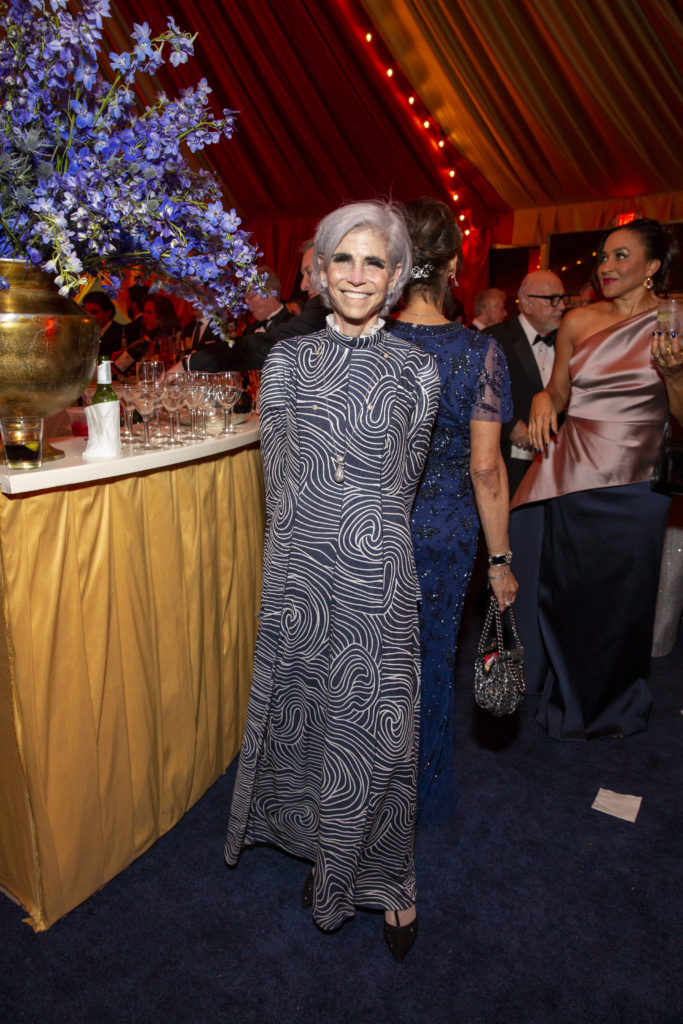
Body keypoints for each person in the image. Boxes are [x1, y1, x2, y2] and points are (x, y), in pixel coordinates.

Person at [224, 200, 440, 962]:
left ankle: (388, 878)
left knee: (377, 731)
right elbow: (276, 482)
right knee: (308, 718)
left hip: (375, 579)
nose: (356, 274)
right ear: (317, 272)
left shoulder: (418, 370)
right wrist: (287, 574)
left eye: (373, 261)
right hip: (299, 573)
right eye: (342, 260)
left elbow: (401, 484)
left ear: (395, 277)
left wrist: (364, 547)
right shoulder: (283, 363)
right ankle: (323, 851)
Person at [510, 217, 682, 739]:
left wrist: (674, 373)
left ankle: (616, 700)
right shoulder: (579, 320)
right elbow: (560, 392)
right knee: (567, 593)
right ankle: (565, 701)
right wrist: (544, 396)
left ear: (652, 266)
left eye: (621, 256)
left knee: (626, 599)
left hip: (638, 481)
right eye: (603, 257)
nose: (607, 267)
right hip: (575, 470)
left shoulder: (675, 318)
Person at [390, 198, 517, 824]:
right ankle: (416, 797)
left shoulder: (363, 346)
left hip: (368, 527)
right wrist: (501, 562)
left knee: (365, 664)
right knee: (430, 660)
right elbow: (487, 469)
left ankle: (353, 800)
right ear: (455, 265)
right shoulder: (479, 354)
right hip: (443, 528)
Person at [187, 241, 328, 372]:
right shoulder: (250, 329)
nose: (246, 302)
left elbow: (260, 348)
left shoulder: (299, 324)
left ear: (270, 293)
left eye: (250, 296)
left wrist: (191, 363)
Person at [488, 271, 569, 496]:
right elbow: (473, 394)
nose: (561, 306)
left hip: (560, 465)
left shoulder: (570, 339)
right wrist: (509, 424)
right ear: (526, 303)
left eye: (563, 298)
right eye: (553, 299)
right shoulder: (493, 339)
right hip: (510, 466)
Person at [82, 291, 124, 359]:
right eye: (86, 312)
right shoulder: (83, 333)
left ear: (108, 313)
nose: (89, 317)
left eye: (94, 312)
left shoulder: (121, 333)